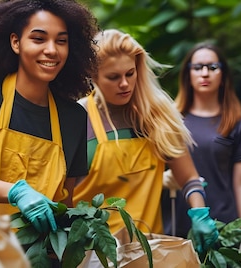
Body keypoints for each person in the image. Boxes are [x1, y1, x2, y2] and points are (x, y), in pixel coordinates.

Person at [0, 0, 98, 234]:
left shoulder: (74, 117)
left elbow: (65, 201)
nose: (51, 49)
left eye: (61, 41)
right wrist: (17, 192)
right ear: (15, 42)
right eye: (38, 39)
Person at [72, 29, 219, 255]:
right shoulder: (77, 119)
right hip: (92, 254)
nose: (124, 84)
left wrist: (200, 214)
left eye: (130, 73)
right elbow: (62, 195)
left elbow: (189, 178)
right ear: (93, 75)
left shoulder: (155, 116)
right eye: (113, 77)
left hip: (149, 252)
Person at [162, 41, 241, 259]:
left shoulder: (239, 122)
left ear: (223, 74)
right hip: (174, 227)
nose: (205, 73)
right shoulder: (170, 119)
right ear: (187, 73)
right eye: (198, 67)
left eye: (212, 67)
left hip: (222, 231)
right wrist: (163, 178)